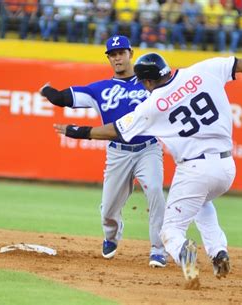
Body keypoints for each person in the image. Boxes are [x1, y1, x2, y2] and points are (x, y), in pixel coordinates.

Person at [54, 53, 242, 287]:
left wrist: (78, 131)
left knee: (171, 231)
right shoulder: (200, 71)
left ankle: (188, 260)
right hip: (226, 167)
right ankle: (218, 252)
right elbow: (238, 64)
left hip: (195, 168)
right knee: (202, 203)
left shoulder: (153, 105)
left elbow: (116, 131)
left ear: (147, 82)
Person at [40, 35, 167, 268]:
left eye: (121, 53)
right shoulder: (100, 89)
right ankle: (111, 236)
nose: (117, 58)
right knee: (109, 209)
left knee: (156, 191)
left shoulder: (149, 83)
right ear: (109, 58)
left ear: (131, 53)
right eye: (113, 54)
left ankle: (158, 249)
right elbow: (63, 98)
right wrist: (48, 92)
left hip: (148, 148)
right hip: (118, 152)